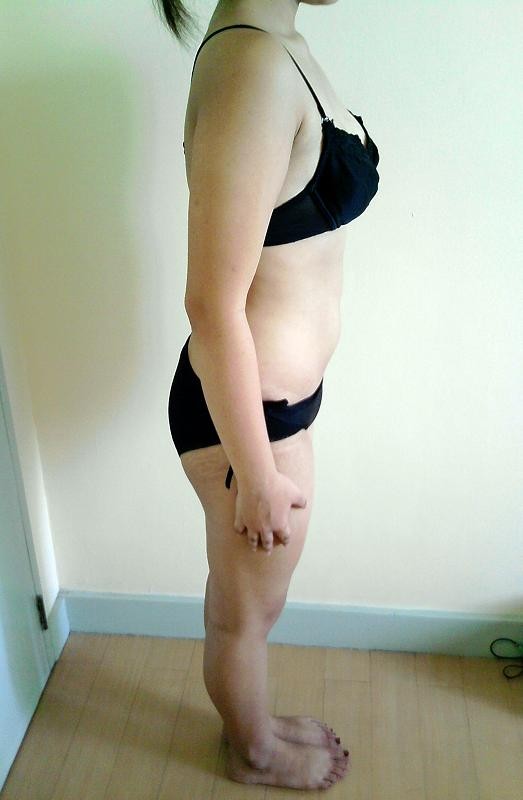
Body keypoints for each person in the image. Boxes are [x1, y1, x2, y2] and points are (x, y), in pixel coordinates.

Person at [156, 0, 380, 790]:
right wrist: (254, 474)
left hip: (276, 409)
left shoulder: (278, 45)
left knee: (254, 603)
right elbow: (210, 304)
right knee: (243, 613)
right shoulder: (252, 65)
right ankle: (251, 749)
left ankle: (251, 721)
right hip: (247, 423)